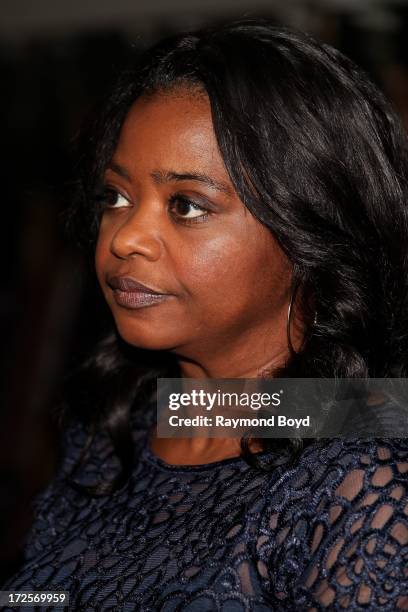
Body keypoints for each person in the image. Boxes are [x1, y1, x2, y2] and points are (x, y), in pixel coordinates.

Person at [2, 17, 408, 611]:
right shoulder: (120, 428)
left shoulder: (365, 484)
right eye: (115, 196)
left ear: (310, 233)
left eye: (187, 205)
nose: (125, 237)